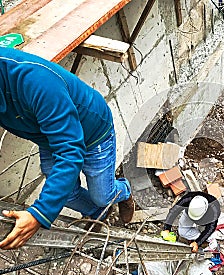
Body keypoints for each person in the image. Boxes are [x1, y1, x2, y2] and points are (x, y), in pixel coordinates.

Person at [0, 47, 135, 250]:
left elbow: (70, 151)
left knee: (103, 195)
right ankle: (98, 213)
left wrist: (40, 213)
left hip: (94, 134)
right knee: (67, 194)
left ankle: (124, 191)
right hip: (52, 137)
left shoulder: (35, 82)